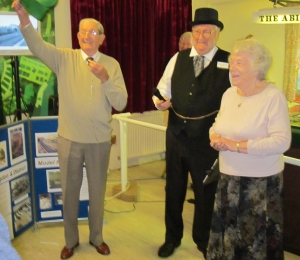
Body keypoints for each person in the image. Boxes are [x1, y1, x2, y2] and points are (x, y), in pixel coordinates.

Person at [12, 1, 128, 259]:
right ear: (77, 36)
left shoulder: (112, 65)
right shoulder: (65, 58)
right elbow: (37, 46)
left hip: (98, 141)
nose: (87, 36)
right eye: (82, 32)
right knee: (70, 191)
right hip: (69, 139)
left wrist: (105, 79)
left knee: (97, 193)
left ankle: (97, 237)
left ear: (102, 38)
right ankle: (70, 240)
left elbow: (121, 102)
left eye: (93, 32)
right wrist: (23, 16)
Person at [153, 8, 231, 258]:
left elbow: (237, 100)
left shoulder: (230, 61)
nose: (202, 36)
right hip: (176, 135)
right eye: (198, 31)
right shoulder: (178, 58)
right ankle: (172, 238)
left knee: (205, 193)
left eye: (208, 31)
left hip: (208, 141)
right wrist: (160, 101)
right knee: (173, 189)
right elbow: (160, 90)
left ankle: (203, 240)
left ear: (217, 34)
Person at [207, 38, 291, 259]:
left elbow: (281, 141)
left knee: (253, 243)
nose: (232, 67)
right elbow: (217, 124)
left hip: (258, 184)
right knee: (228, 238)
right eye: (232, 62)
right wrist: (214, 136)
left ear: (258, 69)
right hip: (228, 179)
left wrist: (236, 146)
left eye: (240, 63)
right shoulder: (229, 94)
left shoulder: (272, 97)